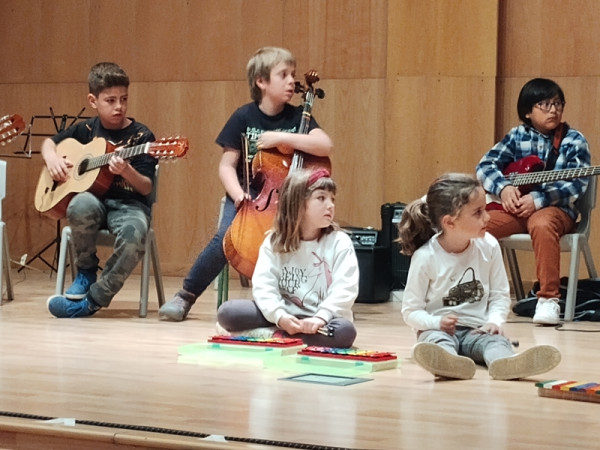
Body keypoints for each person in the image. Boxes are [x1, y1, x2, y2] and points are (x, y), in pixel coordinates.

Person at [159, 46, 333, 321]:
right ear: (261, 82)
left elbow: (324, 145)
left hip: (289, 200)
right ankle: (186, 295)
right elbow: (226, 166)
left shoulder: (298, 117)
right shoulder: (243, 117)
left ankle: (309, 300)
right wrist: (238, 194)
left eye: (293, 75)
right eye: (283, 75)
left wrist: (282, 138)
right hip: (250, 195)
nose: (291, 81)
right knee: (225, 237)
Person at [398, 173, 561, 380]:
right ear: (449, 222)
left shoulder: (490, 245)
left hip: (478, 331)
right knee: (435, 342)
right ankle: (448, 363)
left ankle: (505, 364)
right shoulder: (425, 257)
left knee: (496, 342)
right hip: (438, 331)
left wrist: (494, 322)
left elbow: (500, 296)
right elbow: (410, 312)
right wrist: (436, 323)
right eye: (478, 213)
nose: (488, 218)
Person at [43, 62, 157, 318]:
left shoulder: (141, 137)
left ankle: (92, 301)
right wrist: (52, 158)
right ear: (93, 101)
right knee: (79, 204)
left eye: (124, 99)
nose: (119, 106)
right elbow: (49, 143)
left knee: (135, 234)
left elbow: (146, 186)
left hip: (129, 206)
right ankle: (85, 271)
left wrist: (126, 171)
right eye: (111, 100)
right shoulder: (85, 130)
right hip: (93, 201)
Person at [477, 78, 591, 325]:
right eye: (546, 104)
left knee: (540, 223)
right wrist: (504, 187)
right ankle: (474, 297)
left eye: (558, 103)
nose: (554, 110)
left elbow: (576, 184)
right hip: (516, 210)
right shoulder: (516, 136)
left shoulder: (574, 140)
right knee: (478, 227)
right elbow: (485, 166)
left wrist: (539, 199)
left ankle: (548, 300)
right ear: (528, 111)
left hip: (557, 211)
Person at [215, 168, 359, 348]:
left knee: (344, 332)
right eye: (321, 198)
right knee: (228, 312)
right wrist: (280, 316)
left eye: (332, 199)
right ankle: (282, 333)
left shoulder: (340, 242)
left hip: (321, 321)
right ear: (297, 203)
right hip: (283, 316)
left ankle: (272, 336)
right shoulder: (274, 241)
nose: (330, 205)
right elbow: (264, 285)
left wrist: (321, 318)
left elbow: (345, 289)